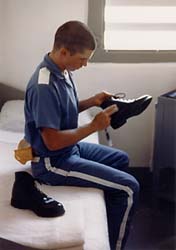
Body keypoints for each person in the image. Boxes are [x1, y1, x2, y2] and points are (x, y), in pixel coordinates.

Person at [24, 20, 139, 250]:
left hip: (70, 149)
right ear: (64, 52)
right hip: (52, 162)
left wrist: (92, 101)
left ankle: (113, 213)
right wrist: (93, 127)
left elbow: (63, 110)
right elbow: (52, 141)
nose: (85, 64)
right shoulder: (43, 85)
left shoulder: (63, 70)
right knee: (129, 187)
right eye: (83, 59)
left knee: (121, 159)